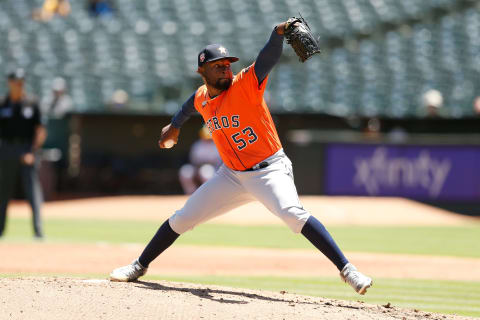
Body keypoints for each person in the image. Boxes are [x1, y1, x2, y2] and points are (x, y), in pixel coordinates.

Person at [110, 20, 373, 295]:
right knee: (182, 218)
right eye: (218, 66)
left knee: (292, 214)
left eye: (228, 64)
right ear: (202, 71)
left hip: (269, 171)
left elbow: (266, 60)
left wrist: (277, 34)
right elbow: (191, 103)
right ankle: (139, 266)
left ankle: (348, 270)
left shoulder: (245, 84)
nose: (226, 70)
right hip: (232, 175)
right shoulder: (203, 97)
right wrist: (175, 125)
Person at [0, 69, 47, 239]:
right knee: (3, 193)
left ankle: (38, 230)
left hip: (27, 150)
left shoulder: (32, 103)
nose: (18, 85)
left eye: (21, 82)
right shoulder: (3, 103)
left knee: (32, 192)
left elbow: (40, 131)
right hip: (6, 150)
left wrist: (32, 152)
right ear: (9, 83)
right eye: (15, 82)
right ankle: (0, 230)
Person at [179, 126, 221, 194]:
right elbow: (193, 160)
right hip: (197, 167)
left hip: (213, 169)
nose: (207, 140)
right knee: (185, 171)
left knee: (206, 171)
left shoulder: (216, 145)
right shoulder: (197, 145)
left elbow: (217, 162)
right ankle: (191, 193)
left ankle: (207, 193)